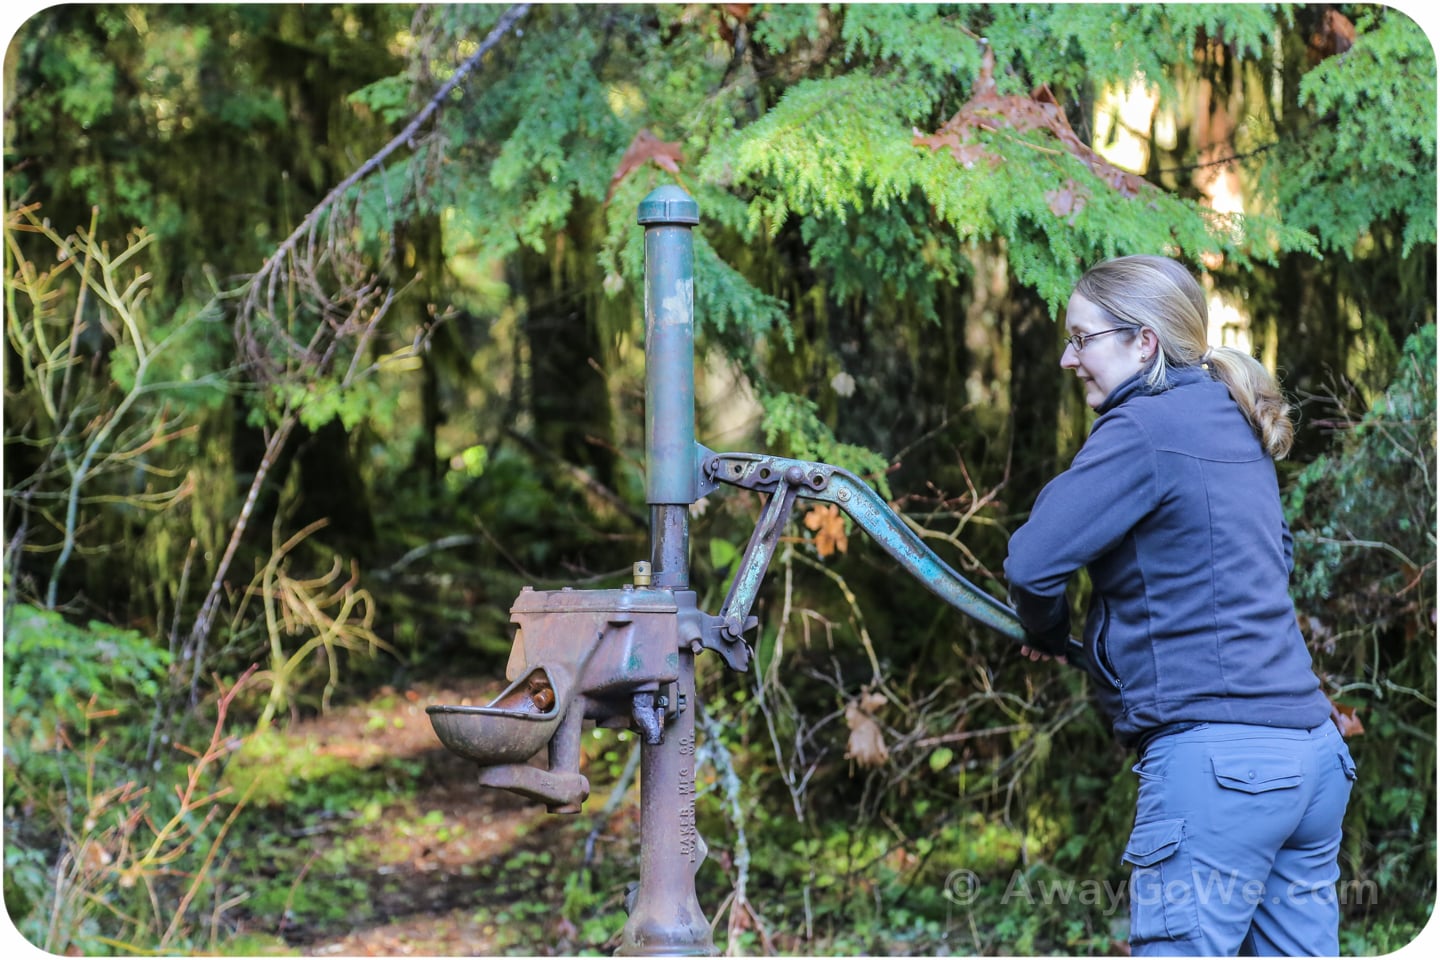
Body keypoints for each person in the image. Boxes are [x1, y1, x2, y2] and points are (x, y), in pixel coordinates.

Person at [1002, 255, 1356, 956]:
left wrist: (1046, 629)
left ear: (1144, 343)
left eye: (1082, 338)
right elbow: (1273, 559)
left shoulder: (1143, 428)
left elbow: (1034, 562)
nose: (1069, 359)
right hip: (1312, 759)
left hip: (1223, 771)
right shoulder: (1230, 417)